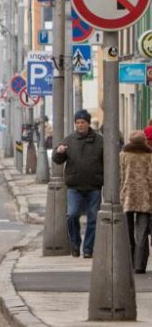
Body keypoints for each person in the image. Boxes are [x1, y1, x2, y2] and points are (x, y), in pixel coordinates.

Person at [52, 109, 104, 258]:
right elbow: (57, 159)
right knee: (72, 215)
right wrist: (59, 152)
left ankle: (88, 249)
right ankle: (75, 243)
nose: (80, 125)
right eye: (78, 123)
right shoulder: (69, 140)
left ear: (88, 124)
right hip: (74, 186)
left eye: (83, 122)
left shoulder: (99, 141)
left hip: (94, 186)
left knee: (93, 219)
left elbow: (106, 162)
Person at [120, 129, 152, 274]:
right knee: (142, 232)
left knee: (127, 231)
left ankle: (129, 262)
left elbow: (120, 175)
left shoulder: (124, 155)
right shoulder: (150, 156)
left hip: (128, 196)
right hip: (145, 198)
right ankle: (140, 265)